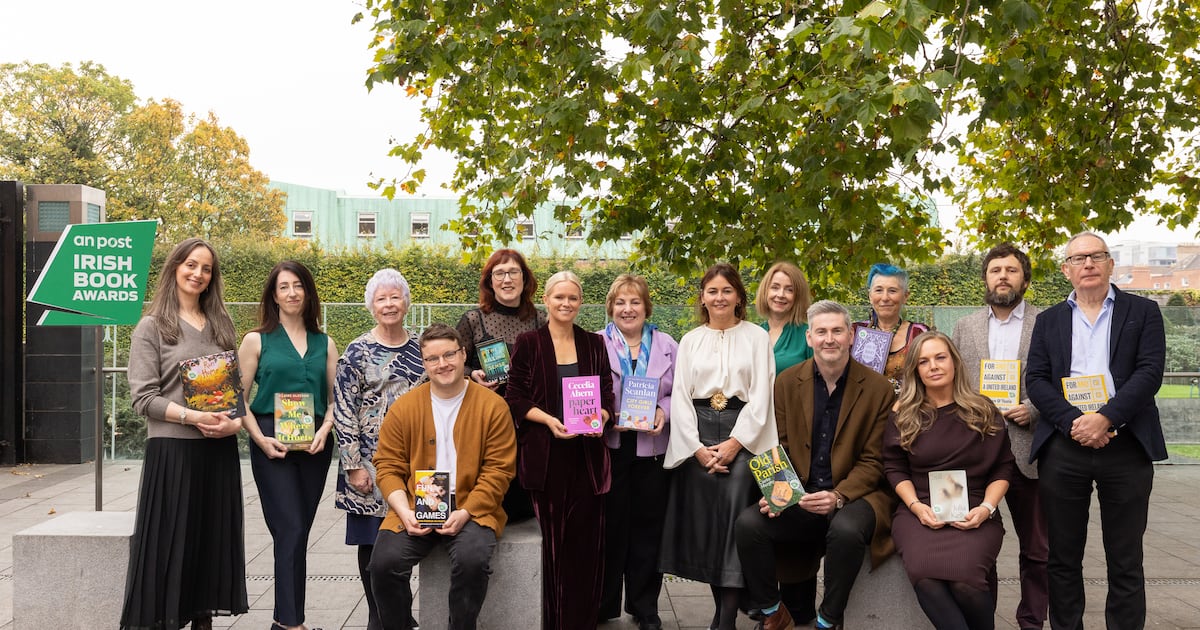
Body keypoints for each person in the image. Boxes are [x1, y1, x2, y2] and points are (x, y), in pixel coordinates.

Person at [1026, 231, 1166, 629]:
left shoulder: (1143, 311)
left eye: (1096, 256)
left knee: (1125, 557)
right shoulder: (1049, 319)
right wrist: (1074, 421)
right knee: (1062, 556)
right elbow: (1035, 379)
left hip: (1125, 445)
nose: (1088, 264)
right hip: (1064, 447)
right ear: (1066, 269)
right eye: (1078, 258)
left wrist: (1105, 418)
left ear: (1110, 264)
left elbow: (1149, 372)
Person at [735, 300, 896, 630]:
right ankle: (772, 613)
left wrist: (838, 496)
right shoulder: (787, 382)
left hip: (856, 494)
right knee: (749, 525)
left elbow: (873, 460)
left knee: (847, 530)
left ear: (851, 335)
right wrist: (780, 493)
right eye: (821, 332)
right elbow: (780, 445)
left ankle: (828, 620)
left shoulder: (879, 389)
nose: (829, 339)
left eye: (837, 331)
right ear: (809, 338)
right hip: (802, 492)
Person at [121, 238, 248, 630]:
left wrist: (235, 424)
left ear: (213, 278)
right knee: (169, 549)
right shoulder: (152, 326)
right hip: (173, 453)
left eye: (206, 269)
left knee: (210, 547)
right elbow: (143, 398)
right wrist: (193, 418)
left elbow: (236, 394)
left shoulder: (222, 326)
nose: (198, 274)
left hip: (218, 452)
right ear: (175, 267)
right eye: (191, 265)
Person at [368, 323, 517, 630]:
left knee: (473, 559)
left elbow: (499, 470)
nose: (442, 364)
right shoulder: (405, 407)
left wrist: (465, 512)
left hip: (471, 509)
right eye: (433, 358)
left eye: (449, 354)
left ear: (464, 355)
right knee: (383, 564)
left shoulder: (493, 406)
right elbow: (388, 465)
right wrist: (404, 511)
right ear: (424, 363)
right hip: (415, 507)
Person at [660, 263, 778, 630]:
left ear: (739, 296)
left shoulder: (757, 337)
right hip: (698, 437)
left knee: (730, 526)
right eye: (712, 291)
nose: (719, 297)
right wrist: (696, 449)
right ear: (702, 297)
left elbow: (762, 396)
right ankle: (720, 613)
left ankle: (725, 621)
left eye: (727, 290)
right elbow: (680, 397)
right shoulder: (691, 339)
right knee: (709, 531)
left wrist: (734, 444)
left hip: (743, 437)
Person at [504, 270, 616, 630]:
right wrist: (550, 420)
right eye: (559, 297)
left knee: (585, 549)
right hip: (546, 459)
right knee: (553, 548)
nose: (566, 303)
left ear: (580, 303)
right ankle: (551, 621)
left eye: (573, 298)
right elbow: (515, 396)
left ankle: (581, 622)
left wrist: (601, 413)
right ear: (546, 300)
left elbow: (608, 398)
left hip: (586, 459)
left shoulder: (594, 344)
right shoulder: (529, 342)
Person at [884, 331, 1015, 630]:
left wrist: (986, 509)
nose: (933, 366)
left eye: (940, 357)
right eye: (923, 361)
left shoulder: (983, 410)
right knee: (925, 575)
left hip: (975, 508)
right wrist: (916, 507)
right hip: (920, 509)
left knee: (965, 580)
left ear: (954, 361)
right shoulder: (904, 414)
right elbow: (894, 467)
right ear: (915, 371)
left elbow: (1003, 468)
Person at [951, 244, 1048, 630]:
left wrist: (1035, 409)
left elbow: (1062, 378)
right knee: (977, 547)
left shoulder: (1048, 322)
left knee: (1038, 548)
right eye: (995, 270)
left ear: (1025, 279)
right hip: (977, 448)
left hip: (1031, 448)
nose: (1003, 276)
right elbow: (953, 382)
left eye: (1011, 270)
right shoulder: (965, 326)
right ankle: (981, 621)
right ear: (985, 278)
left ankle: (1031, 622)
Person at [238, 261, 338, 630]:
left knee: (298, 533)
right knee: (291, 529)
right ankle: (291, 624)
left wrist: (326, 428)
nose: (292, 292)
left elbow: (333, 400)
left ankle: (285, 620)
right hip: (271, 441)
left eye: (298, 285)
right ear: (274, 295)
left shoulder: (325, 343)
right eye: (284, 287)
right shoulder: (256, 340)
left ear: (308, 293)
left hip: (314, 444)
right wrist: (260, 440)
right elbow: (239, 399)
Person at [332, 269, 425, 630]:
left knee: (412, 537)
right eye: (381, 299)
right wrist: (353, 465)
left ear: (406, 302)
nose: (389, 304)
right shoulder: (357, 350)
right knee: (372, 543)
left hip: (416, 461)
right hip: (368, 464)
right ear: (372, 306)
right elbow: (342, 409)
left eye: (395, 297)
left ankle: (399, 614)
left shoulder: (421, 347)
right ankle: (379, 614)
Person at [596, 274, 678, 630]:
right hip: (610, 448)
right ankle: (603, 604)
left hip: (652, 451)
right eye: (620, 302)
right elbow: (582, 391)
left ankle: (645, 606)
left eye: (635, 302)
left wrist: (664, 410)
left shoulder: (667, 344)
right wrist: (603, 415)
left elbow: (683, 393)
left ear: (646, 307)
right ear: (610, 307)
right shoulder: (595, 343)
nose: (627, 309)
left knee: (648, 530)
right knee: (610, 528)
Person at [455, 248, 547, 522]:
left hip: (530, 418)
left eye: (513, 272)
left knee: (522, 507)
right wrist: (473, 376)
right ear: (490, 281)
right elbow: (451, 363)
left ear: (524, 278)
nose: (507, 279)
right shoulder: (473, 319)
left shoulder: (541, 320)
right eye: (500, 273)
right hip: (486, 416)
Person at [853, 263, 930, 393]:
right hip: (864, 411)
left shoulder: (920, 333)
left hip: (907, 411)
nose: (885, 298)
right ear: (870, 296)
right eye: (878, 290)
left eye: (892, 291)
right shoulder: (854, 332)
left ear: (905, 296)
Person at [757, 261, 813, 373]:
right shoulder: (754, 334)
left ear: (798, 296)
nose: (781, 295)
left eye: (789, 290)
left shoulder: (808, 335)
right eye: (775, 287)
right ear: (765, 291)